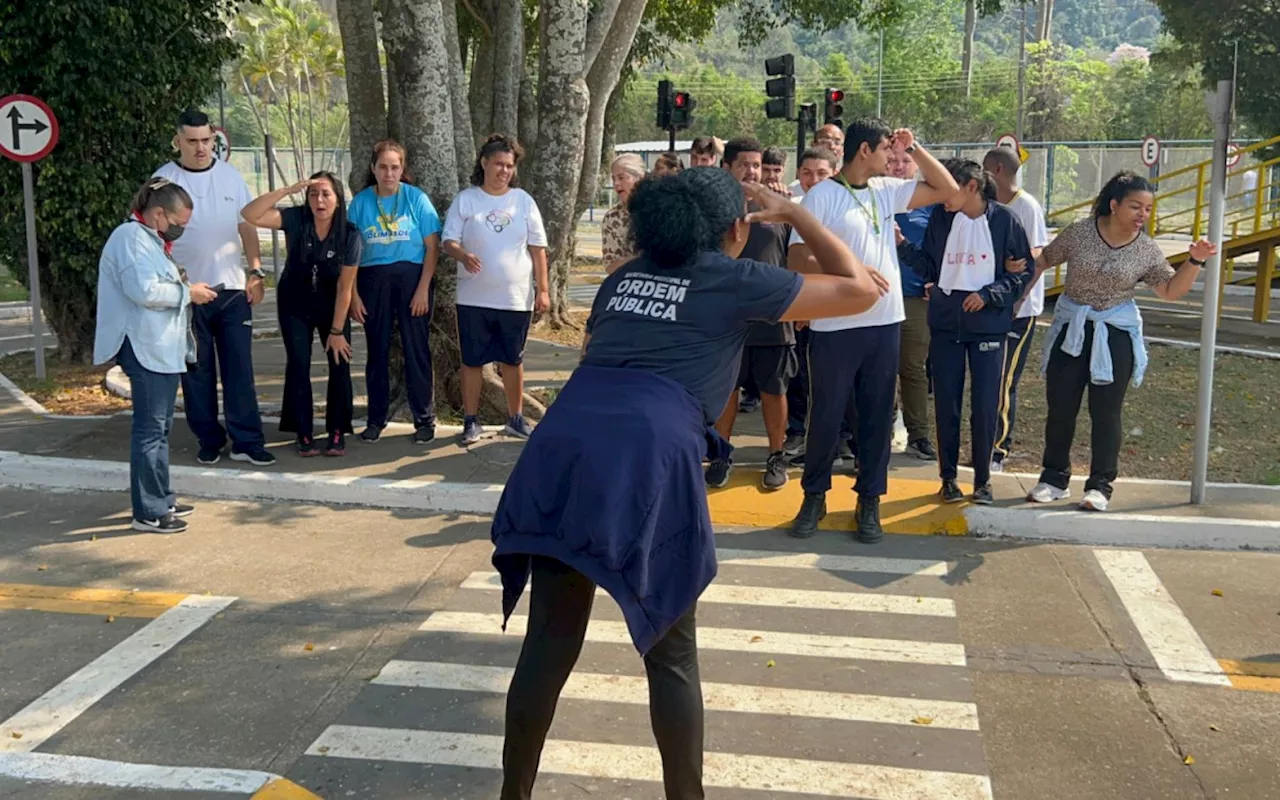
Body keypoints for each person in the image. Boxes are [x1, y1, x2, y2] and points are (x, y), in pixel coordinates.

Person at [490, 167, 886, 800]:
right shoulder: (733, 278)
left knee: (550, 643)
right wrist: (796, 214)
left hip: (564, 445)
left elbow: (599, 348)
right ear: (735, 229)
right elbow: (862, 287)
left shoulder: (621, 277)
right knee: (671, 657)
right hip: (647, 454)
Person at [789, 119, 958, 542]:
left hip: (884, 323)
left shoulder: (886, 191)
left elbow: (947, 189)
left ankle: (869, 500)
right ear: (864, 150)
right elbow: (796, 259)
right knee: (827, 415)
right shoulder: (822, 196)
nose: (892, 159)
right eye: (886, 150)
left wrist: (914, 147)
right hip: (835, 325)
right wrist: (852, 271)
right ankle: (814, 496)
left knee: (878, 416)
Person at [1026, 172, 1216, 511]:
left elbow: (1170, 290)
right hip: (1073, 328)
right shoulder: (1081, 233)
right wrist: (1017, 297)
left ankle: (1100, 485)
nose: (1142, 214)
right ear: (1114, 206)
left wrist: (1195, 260)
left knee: (1106, 412)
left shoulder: (1145, 249)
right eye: (1135, 207)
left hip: (1114, 334)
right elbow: (1043, 260)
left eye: (1147, 208)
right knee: (1061, 409)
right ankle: (1053, 478)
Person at [94, 178, 217, 532]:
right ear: (158, 213)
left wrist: (185, 289)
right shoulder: (130, 239)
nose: (180, 229)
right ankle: (148, 511)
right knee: (150, 429)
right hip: (143, 346)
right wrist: (187, 293)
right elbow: (143, 291)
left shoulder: (149, 240)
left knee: (160, 427)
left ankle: (161, 497)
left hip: (160, 346)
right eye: (177, 222)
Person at [153, 108, 274, 467]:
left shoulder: (231, 178)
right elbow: (153, 236)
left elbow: (247, 225)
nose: (201, 147)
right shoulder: (163, 181)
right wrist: (175, 282)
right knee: (197, 373)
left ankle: (247, 442)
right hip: (188, 295)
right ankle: (208, 440)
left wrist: (255, 271)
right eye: (192, 141)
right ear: (178, 142)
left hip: (233, 292)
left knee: (240, 371)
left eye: (206, 140)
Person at [909, 159, 1031, 504]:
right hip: (946, 325)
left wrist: (989, 295)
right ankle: (947, 477)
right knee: (947, 404)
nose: (941, 196)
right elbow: (929, 266)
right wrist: (903, 246)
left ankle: (982, 479)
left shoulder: (1005, 220)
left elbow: (1024, 272)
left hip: (988, 327)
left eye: (948, 188)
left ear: (971, 187)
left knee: (985, 405)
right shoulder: (940, 219)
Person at [242, 172, 362, 456]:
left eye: (326, 194)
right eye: (313, 194)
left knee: (339, 360)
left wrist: (336, 332)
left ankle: (336, 430)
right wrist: (287, 190)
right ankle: (303, 431)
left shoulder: (350, 234)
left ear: (337, 199)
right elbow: (250, 214)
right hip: (294, 303)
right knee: (298, 364)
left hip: (332, 306)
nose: (319, 200)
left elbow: (346, 288)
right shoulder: (296, 219)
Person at [442, 134, 550, 446]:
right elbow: (449, 241)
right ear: (484, 162)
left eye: (509, 165)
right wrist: (462, 255)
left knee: (512, 361)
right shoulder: (466, 200)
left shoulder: (523, 201)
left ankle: (515, 418)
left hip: (515, 299)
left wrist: (543, 290)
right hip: (473, 298)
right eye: (498, 164)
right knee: (472, 362)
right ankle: (471, 420)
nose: (504, 170)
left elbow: (538, 249)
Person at [705, 138, 798, 491]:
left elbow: (796, 257)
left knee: (774, 391)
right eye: (744, 164)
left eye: (757, 165)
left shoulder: (779, 208)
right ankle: (720, 455)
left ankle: (776, 456)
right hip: (728, 319)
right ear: (727, 167)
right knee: (728, 389)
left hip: (774, 317)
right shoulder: (716, 211)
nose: (752, 171)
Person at [348, 140, 442, 445]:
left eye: (395, 167)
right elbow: (350, 256)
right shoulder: (360, 203)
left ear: (403, 169)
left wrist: (423, 289)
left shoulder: (416, 199)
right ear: (373, 169)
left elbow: (432, 248)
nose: (389, 173)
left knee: (417, 350)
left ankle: (424, 419)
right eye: (383, 167)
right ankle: (375, 419)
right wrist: (353, 296)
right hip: (372, 282)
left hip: (411, 280)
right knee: (377, 352)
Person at [983, 145, 1050, 472]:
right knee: (987, 377)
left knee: (1004, 380)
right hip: (993, 303)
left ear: (996, 170)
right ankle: (984, 441)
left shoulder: (1026, 207)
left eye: (984, 170)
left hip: (1017, 311)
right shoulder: (988, 205)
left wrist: (1017, 300)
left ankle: (997, 450)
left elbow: (1037, 259)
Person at [889, 145, 938, 462]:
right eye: (892, 160)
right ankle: (878, 429)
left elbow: (942, 248)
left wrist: (937, 280)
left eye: (905, 161)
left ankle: (918, 434)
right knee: (878, 369)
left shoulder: (929, 205)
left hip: (914, 299)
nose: (898, 166)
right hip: (876, 295)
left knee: (912, 368)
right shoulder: (874, 195)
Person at [601, 153, 645, 274]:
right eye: (613, 179)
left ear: (640, 178)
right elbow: (610, 266)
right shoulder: (612, 218)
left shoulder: (660, 208)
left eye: (621, 177)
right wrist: (639, 259)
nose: (616, 184)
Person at [788, 124, 845, 197]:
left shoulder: (850, 187)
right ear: (813, 145)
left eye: (837, 143)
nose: (832, 146)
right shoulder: (794, 191)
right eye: (825, 141)